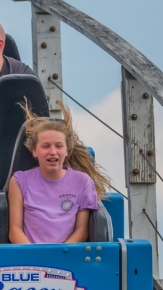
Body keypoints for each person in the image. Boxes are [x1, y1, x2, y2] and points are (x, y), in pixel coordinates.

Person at [7, 104, 109, 244]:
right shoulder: (19, 180)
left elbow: (81, 231)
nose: (53, 152)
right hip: (30, 259)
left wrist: (59, 255)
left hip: (65, 258)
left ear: (67, 151)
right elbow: (15, 230)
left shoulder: (83, 181)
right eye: (45, 146)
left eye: (59, 146)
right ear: (34, 151)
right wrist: (34, 255)